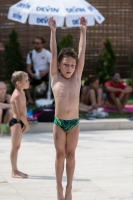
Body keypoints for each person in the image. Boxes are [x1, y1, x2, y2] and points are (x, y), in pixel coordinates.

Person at [48, 16, 87, 200]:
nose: (70, 68)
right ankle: (58, 189)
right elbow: (54, 53)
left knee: (70, 155)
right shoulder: (55, 77)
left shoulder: (77, 77)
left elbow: (81, 52)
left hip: (74, 123)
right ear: (58, 66)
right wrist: (53, 32)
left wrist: (83, 32)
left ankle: (69, 188)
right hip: (59, 122)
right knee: (60, 154)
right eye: (66, 65)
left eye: (72, 65)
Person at [10, 71, 29, 178]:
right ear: (18, 83)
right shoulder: (17, 95)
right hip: (16, 122)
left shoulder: (22, 92)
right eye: (26, 80)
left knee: (17, 146)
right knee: (15, 147)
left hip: (19, 122)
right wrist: (26, 124)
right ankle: (14, 171)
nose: (28, 82)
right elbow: (20, 113)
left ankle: (16, 170)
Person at [25, 37, 51, 104]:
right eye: (34, 43)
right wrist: (31, 74)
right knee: (24, 80)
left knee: (52, 76)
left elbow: (52, 66)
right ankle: (30, 99)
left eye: (37, 43)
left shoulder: (47, 53)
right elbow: (28, 67)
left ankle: (47, 95)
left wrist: (45, 72)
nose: (35, 45)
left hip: (46, 73)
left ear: (42, 44)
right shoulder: (30, 54)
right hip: (35, 73)